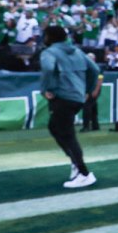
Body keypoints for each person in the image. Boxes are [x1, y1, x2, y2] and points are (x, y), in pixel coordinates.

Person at [39, 25, 101, 189]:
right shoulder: (77, 51)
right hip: (77, 96)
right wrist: (87, 89)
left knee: (66, 133)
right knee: (55, 127)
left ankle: (84, 173)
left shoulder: (49, 52)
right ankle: (76, 163)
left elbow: (48, 68)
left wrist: (46, 89)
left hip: (63, 96)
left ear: (49, 37)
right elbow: (94, 69)